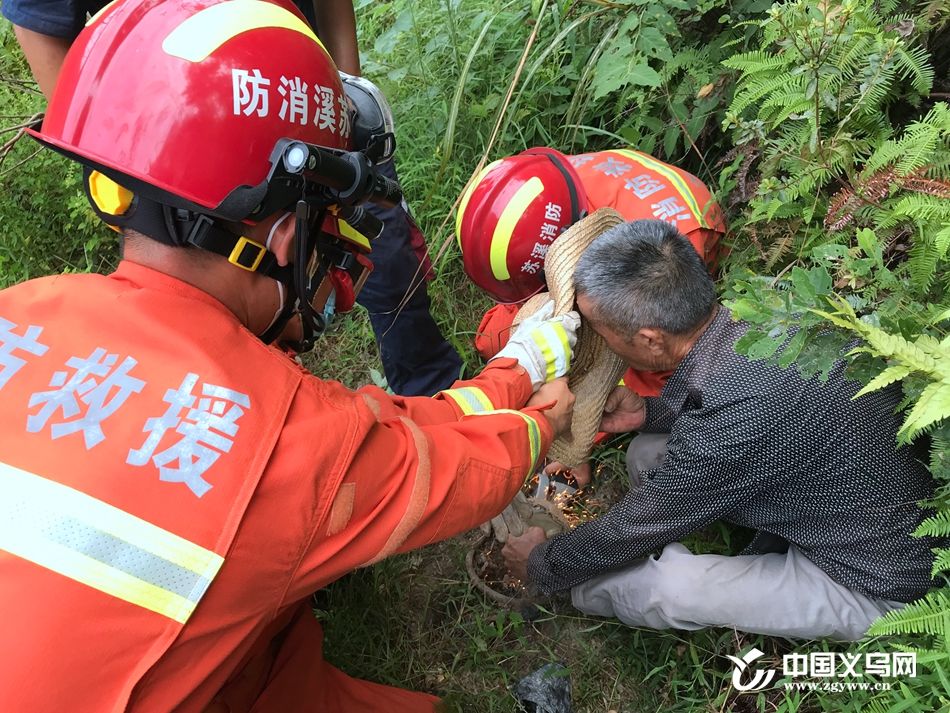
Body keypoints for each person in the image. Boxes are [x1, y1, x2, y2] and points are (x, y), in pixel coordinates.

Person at [0, 2, 580, 711]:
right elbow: (448, 470)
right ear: (281, 238)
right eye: (325, 229)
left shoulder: (25, 304)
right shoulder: (282, 443)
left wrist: (511, 368)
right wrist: (538, 409)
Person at [502, 219, 942, 641]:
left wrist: (542, 563)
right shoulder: (767, 305)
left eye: (600, 331)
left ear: (651, 338)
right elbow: (749, 408)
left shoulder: (729, 427)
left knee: (671, 588)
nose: (600, 342)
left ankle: (576, 590)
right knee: (646, 452)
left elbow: (639, 524)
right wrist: (648, 415)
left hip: (878, 574)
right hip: (853, 492)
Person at [2, 0, 462, 397]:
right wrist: (125, 152)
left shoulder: (28, 317)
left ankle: (426, 384)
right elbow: (42, 25)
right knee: (235, 303)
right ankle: (258, 403)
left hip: (301, 101)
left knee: (378, 251)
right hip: (183, 146)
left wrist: (342, 93)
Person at [456, 146, 726, 483]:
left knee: (641, 368)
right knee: (497, 334)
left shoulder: (666, 253)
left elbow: (658, 347)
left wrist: (579, 432)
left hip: (661, 279)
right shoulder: (546, 189)